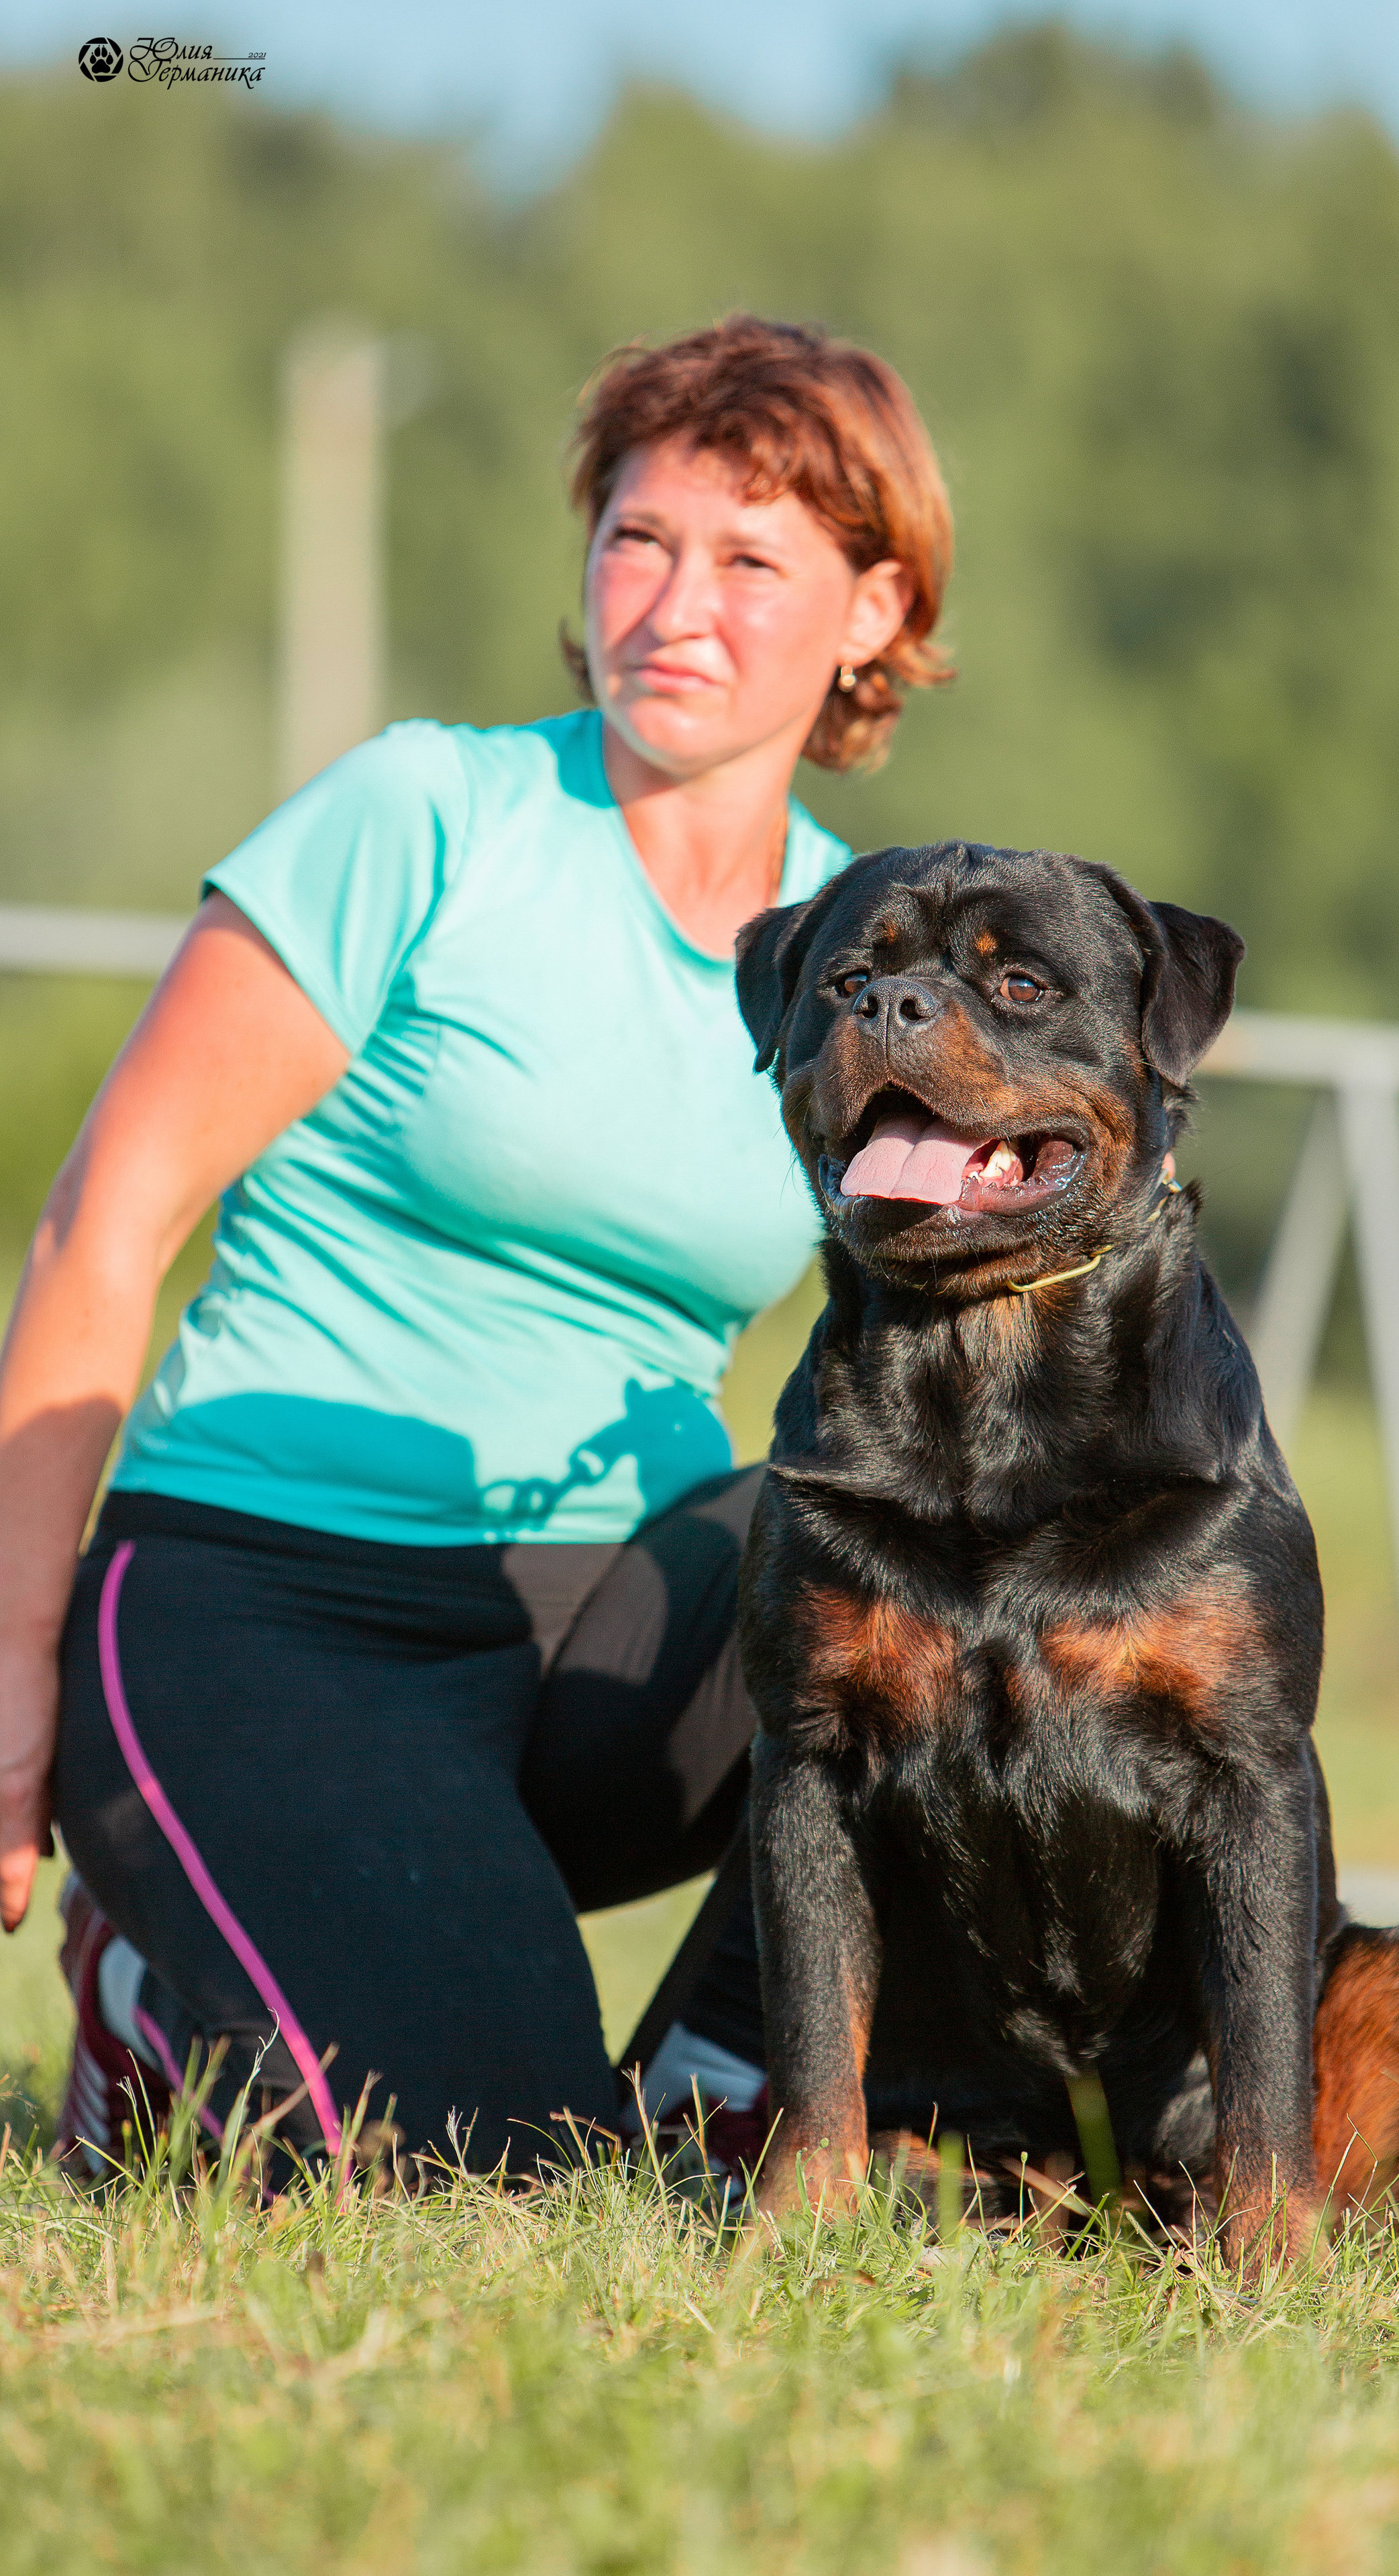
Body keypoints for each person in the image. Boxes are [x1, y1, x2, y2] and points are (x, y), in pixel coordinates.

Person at [0, 314, 953, 2181]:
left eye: (751, 560)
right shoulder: (429, 816)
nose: (673, 600)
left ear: (869, 609)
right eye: (637, 537)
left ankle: (725, 2096)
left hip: (613, 1652)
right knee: (481, 2171)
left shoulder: (862, 955)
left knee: (936, 1541)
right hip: (265, 1601)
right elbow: (103, 1220)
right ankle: (165, 1992)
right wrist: (4, 1665)